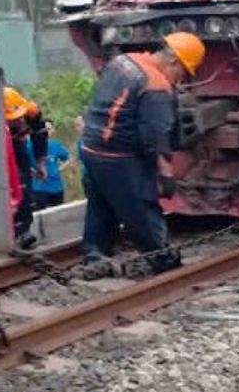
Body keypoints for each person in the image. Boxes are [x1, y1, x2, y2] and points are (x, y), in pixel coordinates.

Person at [79, 32, 205, 274]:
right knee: (141, 207)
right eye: (184, 73)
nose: (180, 81)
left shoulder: (125, 61)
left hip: (91, 146)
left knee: (100, 204)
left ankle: (95, 254)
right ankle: (161, 257)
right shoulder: (156, 85)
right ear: (174, 62)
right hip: (119, 157)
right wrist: (166, 173)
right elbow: (155, 136)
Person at [4, 87, 48, 250]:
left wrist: (40, 162)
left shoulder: (32, 111)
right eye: (12, 119)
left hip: (18, 146)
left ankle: (24, 231)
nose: (18, 121)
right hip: (3, 148)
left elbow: (39, 135)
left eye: (19, 117)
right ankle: (11, 230)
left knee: (24, 186)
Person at [28, 122, 70, 210]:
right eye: (44, 130)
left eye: (49, 129)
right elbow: (23, 163)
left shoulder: (56, 145)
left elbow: (68, 158)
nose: (46, 132)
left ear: (53, 131)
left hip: (57, 187)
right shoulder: (31, 145)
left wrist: (59, 169)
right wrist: (33, 172)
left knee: (59, 214)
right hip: (39, 188)